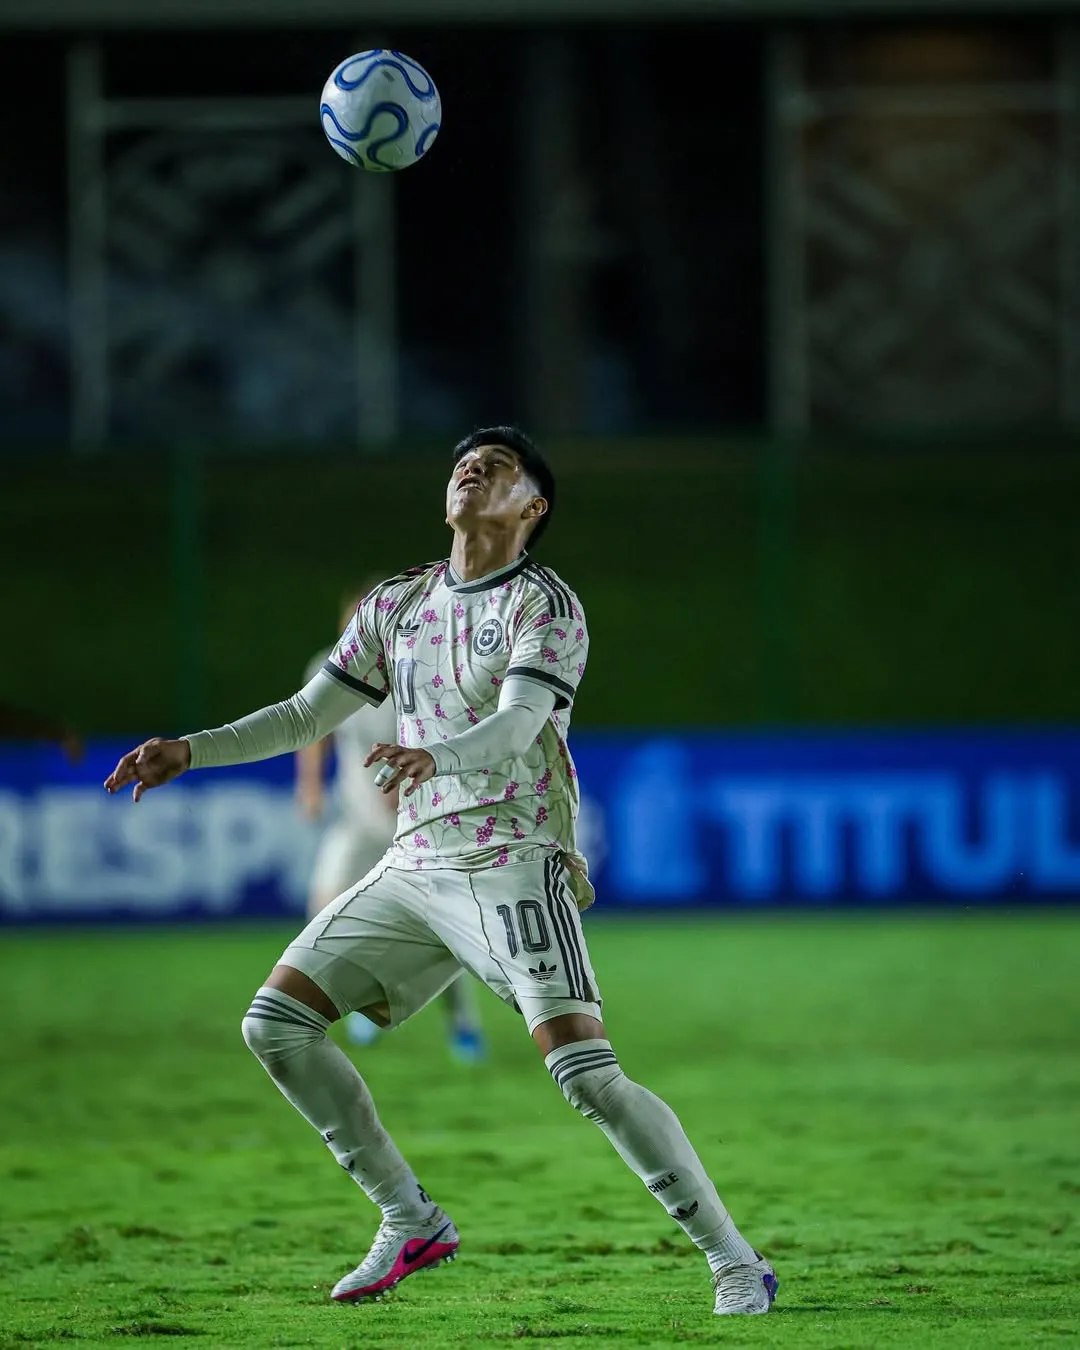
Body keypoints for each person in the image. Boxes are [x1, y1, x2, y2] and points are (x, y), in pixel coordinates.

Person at [104, 426, 777, 1318]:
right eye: (466, 461)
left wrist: (436, 754)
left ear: (531, 507)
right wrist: (190, 750)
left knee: (585, 1075)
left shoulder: (546, 606)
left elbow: (516, 723)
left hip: (513, 860)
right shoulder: (396, 603)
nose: (473, 469)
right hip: (415, 862)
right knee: (274, 1025)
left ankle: (732, 1259)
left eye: (498, 467)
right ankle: (409, 1218)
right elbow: (308, 715)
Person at [296, 587, 485, 1059]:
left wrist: (408, 781)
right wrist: (311, 786)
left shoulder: (415, 667)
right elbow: (311, 730)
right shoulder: (330, 665)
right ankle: (360, 1007)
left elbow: (441, 734)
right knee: (324, 913)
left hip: (416, 823)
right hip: (357, 822)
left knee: (435, 928)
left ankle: (462, 1023)